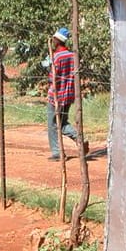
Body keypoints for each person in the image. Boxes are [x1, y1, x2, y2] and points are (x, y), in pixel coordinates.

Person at [45, 27, 88, 161]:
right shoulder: (72, 55)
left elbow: (52, 77)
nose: (52, 40)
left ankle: (57, 152)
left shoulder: (57, 56)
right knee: (62, 122)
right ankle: (79, 137)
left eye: (54, 38)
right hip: (68, 95)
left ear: (58, 40)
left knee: (52, 124)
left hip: (56, 95)